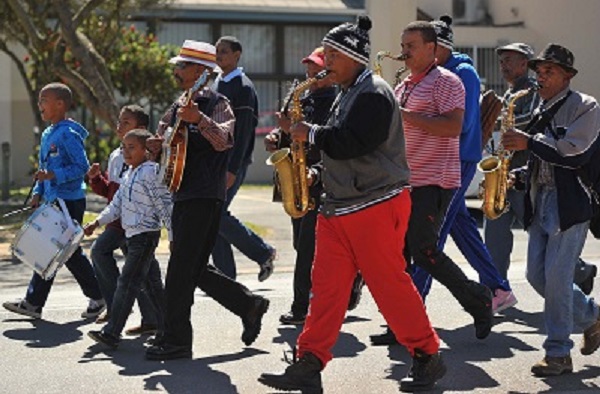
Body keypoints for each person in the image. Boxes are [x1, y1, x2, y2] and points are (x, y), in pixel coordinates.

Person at [259, 16, 446, 393]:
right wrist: (315, 171)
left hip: (376, 204)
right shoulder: (346, 91)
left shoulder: (374, 93)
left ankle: (427, 354)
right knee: (325, 289)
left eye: (331, 53)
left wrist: (308, 132)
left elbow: (354, 142)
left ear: (353, 57)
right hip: (340, 206)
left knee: (389, 287)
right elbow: (338, 147)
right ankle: (308, 362)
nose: (324, 60)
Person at [144, 40, 269, 361]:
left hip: (204, 195)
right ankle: (248, 304)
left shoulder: (218, 102)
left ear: (201, 72)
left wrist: (199, 119)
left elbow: (225, 139)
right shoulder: (176, 106)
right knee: (193, 267)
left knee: (180, 270)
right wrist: (156, 147)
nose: (176, 70)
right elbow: (162, 144)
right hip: (181, 193)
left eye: (183, 66)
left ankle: (176, 341)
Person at [370, 21, 493, 346]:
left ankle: (477, 297)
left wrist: (404, 115)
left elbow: (454, 127)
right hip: (404, 183)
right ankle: (404, 326)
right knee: (397, 258)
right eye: (403, 44)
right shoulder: (404, 85)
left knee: (424, 252)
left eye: (411, 45)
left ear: (432, 48)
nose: (404, 51)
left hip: (434, 181)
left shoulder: (448, 82)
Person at [503, 43, 600, 376]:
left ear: (567, 76)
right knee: (537, 276)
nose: (541, 77)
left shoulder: (585, 106)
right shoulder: (541, 107)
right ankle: (593, 315)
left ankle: (558, 354)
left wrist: (528, 142)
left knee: (557, 281)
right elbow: (541, 158)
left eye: (549, 72)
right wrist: (517, 175)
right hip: (540, 199)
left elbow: (574, 153)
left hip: (569, 203)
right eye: (539, 71)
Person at [411, 15, 517, 314]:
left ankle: (413, 303)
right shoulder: (436, 70)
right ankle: (498, 287)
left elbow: (463, 124)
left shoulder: (463, 72)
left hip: (457, 161)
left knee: (432, 235)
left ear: (438, 47)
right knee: (460, 227)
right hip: (438, 161)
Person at [485, 42, 597, 296]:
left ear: (524, 63)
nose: (503, 66)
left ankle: (579, 281)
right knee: (504, 243)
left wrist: (509, 126)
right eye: (501, 61)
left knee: (552, 264)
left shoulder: (542, 92)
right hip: (519, 176)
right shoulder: (513, 94)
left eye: (509, 60)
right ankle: (497, 289)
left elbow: (550, 136)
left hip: (551, 184)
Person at [2, 83, 105, 320]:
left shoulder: (68, 134)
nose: (40, 105)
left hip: (70, 201)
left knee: (54, 250)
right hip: (52, 200)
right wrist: (38, 191)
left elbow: (82, 167)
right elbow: (43, 169)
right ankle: (99, 297)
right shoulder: (49, 133)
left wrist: (54, 176)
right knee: (66, 252)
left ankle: (33, 303)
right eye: (39, 101)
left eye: (44, 100)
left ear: (60, 104)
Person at [84, 129, 170, 348]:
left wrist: (173, 234)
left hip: (145, 236)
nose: (126, 152)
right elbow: (117, 205)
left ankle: (112, 332)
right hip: (132, 236)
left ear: (147, 150)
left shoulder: (152, 171)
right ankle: (168, 328)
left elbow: (164, 204)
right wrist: (97, 222)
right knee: (151, 285)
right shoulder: (129, 174)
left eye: (132, 147)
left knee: (127, 283)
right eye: (123, 147)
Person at [211, 36, 277, 281]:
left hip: (231, 163)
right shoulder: (217, 82)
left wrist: (232, 168)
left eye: (224, 52)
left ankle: (263, 253)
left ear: (237, 55)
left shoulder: (243, 87)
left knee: (215, 215)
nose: (219, 56)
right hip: (215, 163)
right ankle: (225, 277)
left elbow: (244, 131)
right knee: (213, 217)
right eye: (217, 51)